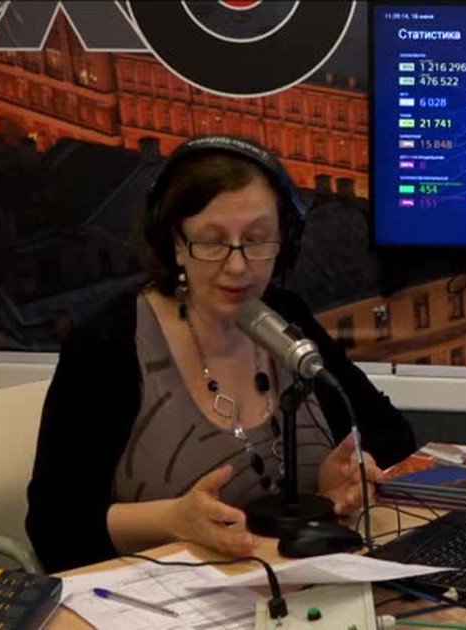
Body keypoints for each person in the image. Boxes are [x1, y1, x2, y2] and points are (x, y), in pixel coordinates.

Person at [26, 136, 417, 573]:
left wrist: (342, 473)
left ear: (284, 241)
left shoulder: (285, 316)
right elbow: (53, 530)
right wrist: (172, 520)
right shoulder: (108, 344)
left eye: (257, 240)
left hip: (300, 585)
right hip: (168, 596)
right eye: (212, 242)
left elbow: (392, 434)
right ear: (176, 243)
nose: (238, 266)